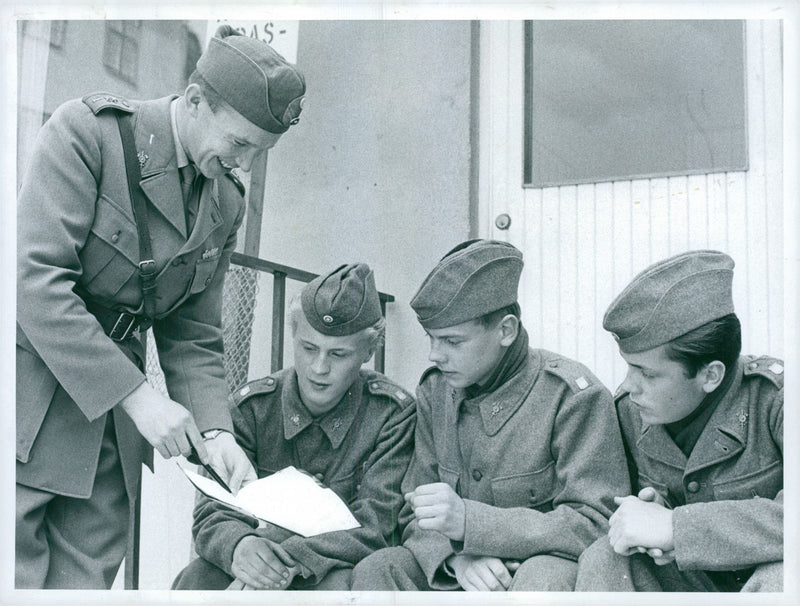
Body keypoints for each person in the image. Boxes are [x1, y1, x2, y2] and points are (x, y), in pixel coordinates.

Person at [16, 26, 306, 588]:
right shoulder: (90, 134)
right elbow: (34, 281)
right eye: (239, 144)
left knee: (85, 584)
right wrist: (137, 397)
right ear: (196, 102)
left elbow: (193, 332)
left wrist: (219, 435)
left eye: (257, 153)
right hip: (33, 400)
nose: (243, 163)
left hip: (109, 436)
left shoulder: (223, 199)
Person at [351, 239, 630, 592]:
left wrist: (473, 525)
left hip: (540, 565)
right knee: (380, 569)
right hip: (460, 563)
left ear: (506, 330)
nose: (435, 355)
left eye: (453, 341)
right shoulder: (435, 393)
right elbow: (413, 510)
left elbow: (597, 522)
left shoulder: (571, 396)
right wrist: (454, 559)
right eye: (431, 338)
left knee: (541, 581)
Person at [172, 263, 416, 591]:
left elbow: (377, 527)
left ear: (369, 351)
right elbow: (213, 511)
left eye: (339, 354)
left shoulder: (392, 415)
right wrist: (240, 548)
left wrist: (283, 561)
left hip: (334, 566)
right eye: (309, 348)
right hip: (257, 552)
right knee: (197, 580)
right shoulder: (252, 407)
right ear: (293, 335)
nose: (319, 368)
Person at [575, 250, 783, 592]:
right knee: (607, 555)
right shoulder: (629, 411)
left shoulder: (777, 400)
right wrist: (651, 515)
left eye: (646, 373)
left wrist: (676, 526)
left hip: (765, 583)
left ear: (710, 375)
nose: (629, 385)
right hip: (688, 582)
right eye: (629, 366)